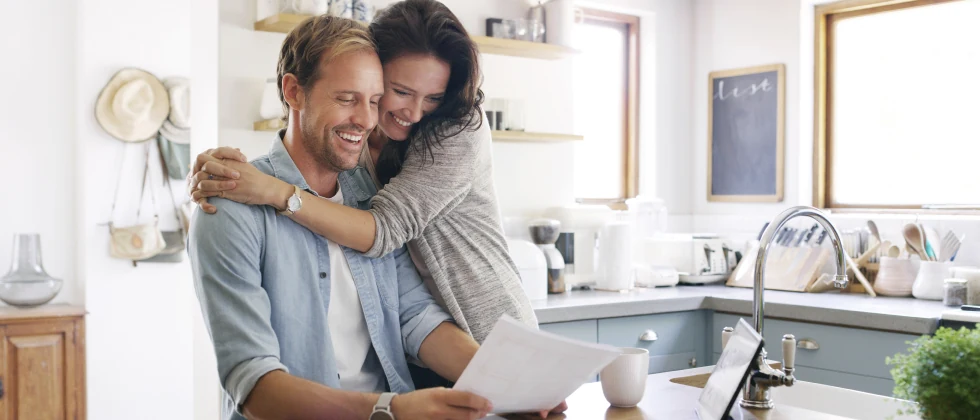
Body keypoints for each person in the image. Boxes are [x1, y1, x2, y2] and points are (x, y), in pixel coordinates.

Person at [191, 16, 497, 420]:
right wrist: (393, 410)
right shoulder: (231, 209)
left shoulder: (370, 196)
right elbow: (254, 385)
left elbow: (415, 317)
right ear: (293, 92)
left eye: (373, 100)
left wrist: (508, 385)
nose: (367, 120)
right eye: (346, 98)